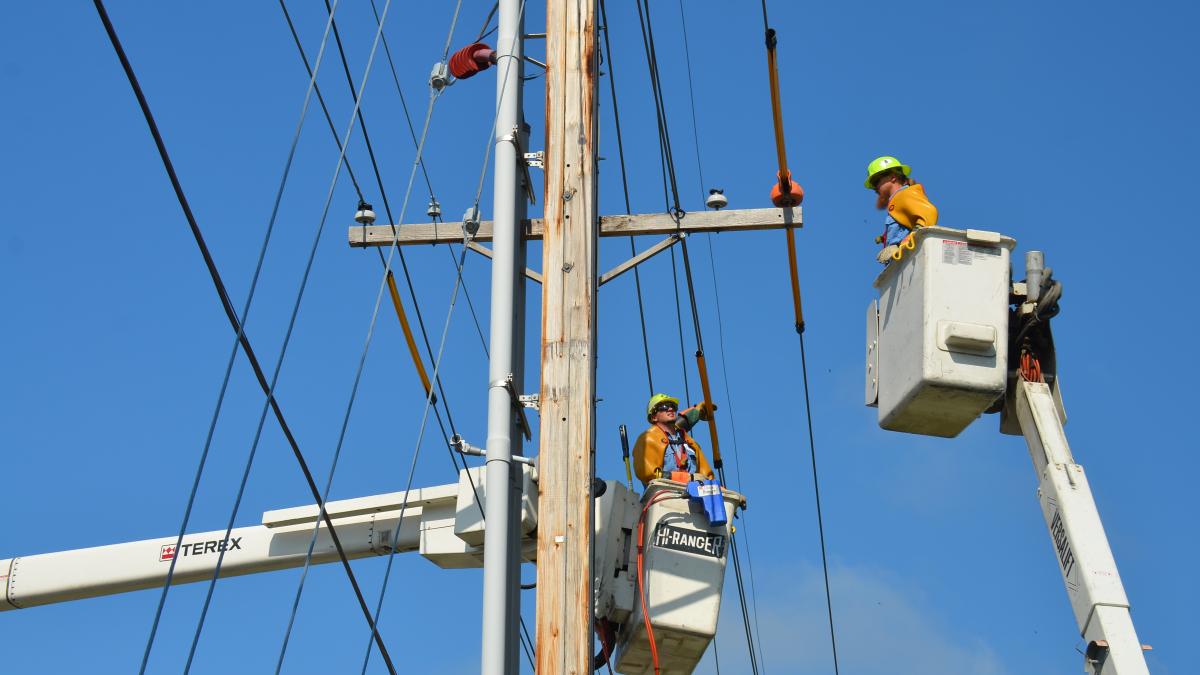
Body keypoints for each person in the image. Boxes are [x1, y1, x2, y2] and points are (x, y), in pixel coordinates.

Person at [865, 155, 938, 264]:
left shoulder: (905, 195)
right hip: (902, 261)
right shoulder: (896, 200)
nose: (875, 187)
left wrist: (908, 240)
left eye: (876, 180)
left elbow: (929, 214)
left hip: (910, 258)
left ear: (893, 177)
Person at [632, 393, 715, 488]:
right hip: (667, 496)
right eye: (664, 407)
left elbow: (707, 476)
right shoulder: (648, 439)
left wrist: (719, 490)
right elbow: (649, 474)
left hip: (695, 496)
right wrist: (687, 478)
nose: (670, 409)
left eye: (673, 406)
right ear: (654, 417)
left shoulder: (689, 443)